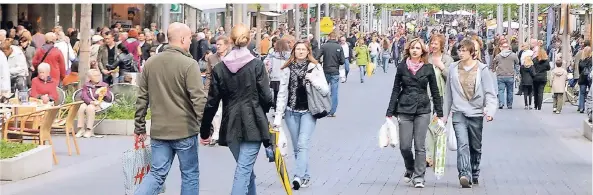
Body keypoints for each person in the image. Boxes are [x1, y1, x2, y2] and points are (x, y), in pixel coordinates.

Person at [134, 22, 207, 195]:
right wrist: (206, 127)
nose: (191, 42)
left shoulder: (151, 63)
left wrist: (139, 126)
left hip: (159, 130)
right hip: (185, 130)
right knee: (189, 174)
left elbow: (142, 97)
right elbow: (198, 99)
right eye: (190, 38)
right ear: (182, 39)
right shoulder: (189, 64)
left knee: (157, 174)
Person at [200, 24, 274, 194]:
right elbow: (267, 97)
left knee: (245, 169)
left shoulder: (220, 68)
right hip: (254, 123)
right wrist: (260, 110)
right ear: (249, 40)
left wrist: (204, 130)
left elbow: (212, 102)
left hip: (230, 123)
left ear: (231, 41)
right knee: (244, 171)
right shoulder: (256, 65)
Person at [386, 38, 443, 188]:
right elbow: (395, 89)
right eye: (412, 48)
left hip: (422, 109)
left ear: (422, 51)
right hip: (404, 108)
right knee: (404, 146)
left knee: (420, 145)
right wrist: (390, 111)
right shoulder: (401, 67)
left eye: (418, 48)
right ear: (408, 50)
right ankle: (410, 167)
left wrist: (439, 111)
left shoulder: (428, 68)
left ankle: (419, 177)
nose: (415, 50)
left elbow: (435, 91)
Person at [274, 40, 329, 190]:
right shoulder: (287, 68)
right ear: (294, 52)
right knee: (297, 147)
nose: (300, 51)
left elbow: (325, 90)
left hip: (309, 112)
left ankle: (297, 176)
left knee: (303, 143)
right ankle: (305, 176)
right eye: (298, 49)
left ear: (308, 52)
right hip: (291, 112)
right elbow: (282, 93)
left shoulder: (315, 67)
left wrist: (313, 80)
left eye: (303, 49)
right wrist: (278, 116)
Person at [443, 39, 497, 188]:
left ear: (472, 52)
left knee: (475, 146)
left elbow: (490, 93)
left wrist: (490, 111)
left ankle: (474, 171)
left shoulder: (482, 69)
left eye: (464, 50)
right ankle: (464, 174)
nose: (461, 53)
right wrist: (444, 115)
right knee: (463, 144)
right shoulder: (453, 68)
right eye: (459, 50)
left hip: (476, 113)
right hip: (458, 112)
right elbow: (448, 94)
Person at [315, 31, 345, 117]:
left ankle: (322, 108)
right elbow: (342, 61)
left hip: (325, 71)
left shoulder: (324, 46)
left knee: (323, 90)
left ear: (328, 37)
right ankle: (332, 111)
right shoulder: (339, 47)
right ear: (335, 38)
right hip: (335, 71)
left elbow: (317, 57)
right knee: (334, 92)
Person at [76, 69, 112, 138]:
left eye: (98, 75)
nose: (97, 77)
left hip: (99, 104)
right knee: (82, 107)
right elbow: (84, 96)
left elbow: (109, 99)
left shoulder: (104, 85)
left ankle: (89, 129)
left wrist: (104, 94)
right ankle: (81, 129)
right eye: (95, 76)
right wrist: (91, 102)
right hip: (89, 102)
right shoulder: (86, 85)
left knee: (90, 107)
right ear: (90, 77)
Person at [492, 42, 519, 109]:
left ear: (502, 48)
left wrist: (495, 68)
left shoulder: (498, 56)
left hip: (500, 75)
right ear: (509, 48)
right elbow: (517, 63)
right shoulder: (513, 55)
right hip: (510, 75)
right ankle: (509, 104)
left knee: (501, 90)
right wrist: (517, 73)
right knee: (510, 91)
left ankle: (501, 103)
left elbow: (494, 62)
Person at [578, 46, 592, 113]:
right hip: (590, 78)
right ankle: (590, 107)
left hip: (582, 78)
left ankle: (581, 108)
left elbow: (579, 70)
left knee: (582, 93)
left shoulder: (581, 60)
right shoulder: (591, 60)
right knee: (591, 93)